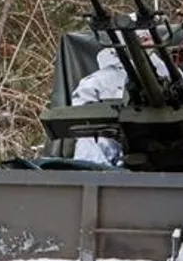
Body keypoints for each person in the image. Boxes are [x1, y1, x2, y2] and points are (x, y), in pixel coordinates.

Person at [71, 28, 170, 166]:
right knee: (89, 141)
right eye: (142, 40)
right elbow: (81, 115)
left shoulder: (167, 73)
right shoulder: (97, 81)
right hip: (113, 140)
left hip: (162, 138)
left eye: (147, 39)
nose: (146, 44)